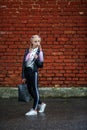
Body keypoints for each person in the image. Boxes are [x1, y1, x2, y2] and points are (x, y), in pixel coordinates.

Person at [22, 35, 46, 116]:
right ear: (31, 42)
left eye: (39, 41)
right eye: (35, 41)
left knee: (35, 89)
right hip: (27, 73)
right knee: (29, 89)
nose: (38, 43)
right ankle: (41, 104)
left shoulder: (40, 52)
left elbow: (41, 65)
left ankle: (34, 109)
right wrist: (23, 76)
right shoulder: (27, 51)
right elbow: (24, 64)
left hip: (33, 72)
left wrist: (36, 59)